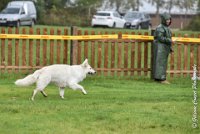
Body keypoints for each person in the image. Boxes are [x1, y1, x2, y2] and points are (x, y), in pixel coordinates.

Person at [153, 12, 175, 84]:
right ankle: (161, 79)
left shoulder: (166, 28)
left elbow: (167, 38)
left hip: (164, 48)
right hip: (160, 48)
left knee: (162, 63)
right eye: (167, 20)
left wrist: (170, 48)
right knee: (160, 64)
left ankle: (159, 78)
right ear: (163, 20)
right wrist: (170, 41)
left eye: (169, 20)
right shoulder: (160, 28)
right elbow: (160, 38)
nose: (168, 21)